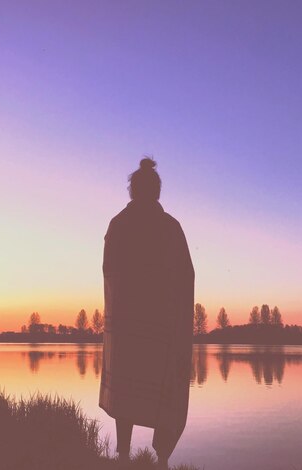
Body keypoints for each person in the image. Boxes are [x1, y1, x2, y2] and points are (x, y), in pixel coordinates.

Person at [99, 158, 195, 469]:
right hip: (161, 327)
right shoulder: (170, 227)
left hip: (128, 326)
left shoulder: (119, 224)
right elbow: (186, 276)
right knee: (163, 388)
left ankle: (125, 456)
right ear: (155, 191)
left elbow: (110, 271)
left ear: (133, 191)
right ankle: (162, 459)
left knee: (127, 389)